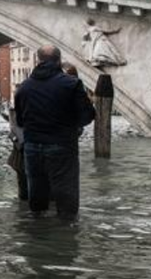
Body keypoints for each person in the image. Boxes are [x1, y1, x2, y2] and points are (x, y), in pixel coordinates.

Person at [14, 45, 96, 220]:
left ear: (38, 60)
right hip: (62, 145)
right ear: (59, 61)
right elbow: (87, 116)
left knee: (36, 197)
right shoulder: (72, 84)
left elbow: (20, 121)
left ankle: (37, 234)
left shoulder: (24, 87)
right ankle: (66, 234)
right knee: (66, 196)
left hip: (33, 148)